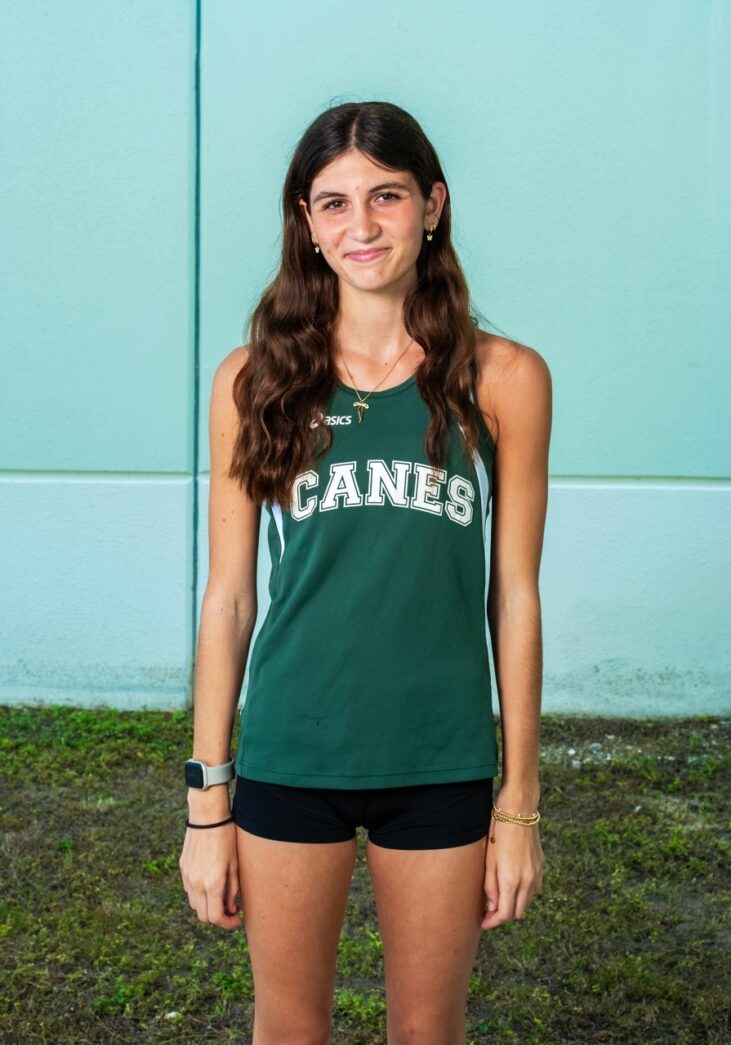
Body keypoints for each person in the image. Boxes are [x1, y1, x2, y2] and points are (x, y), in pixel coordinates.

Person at [179, 100, 551, 1045]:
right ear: (306, 222)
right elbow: (227, 601)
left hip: (441, 759)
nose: (363, 226)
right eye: (334, 204)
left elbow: (515, 598)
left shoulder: (502, 377)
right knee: (289, 1027)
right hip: (292, 754)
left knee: (428, 1031)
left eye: (385, 197)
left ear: (433, 204)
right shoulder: (250, 379)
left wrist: (519, 803)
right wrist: (206, 802)